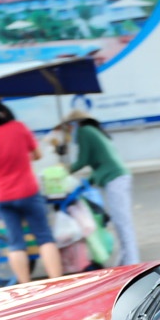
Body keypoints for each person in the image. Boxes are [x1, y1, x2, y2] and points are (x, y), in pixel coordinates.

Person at [0, 106, 63, 285]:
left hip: (3, 196)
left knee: (15, 243)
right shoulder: (19, 128)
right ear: (4, 114)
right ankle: (57, 283)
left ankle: (25, 287)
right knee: (44, 238)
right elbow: (37, 155)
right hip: (28, 191)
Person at [57, 109, 139, 264]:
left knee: (122, 223)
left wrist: (63, 171)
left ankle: (132, 261)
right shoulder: (93, 131)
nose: (69, 128)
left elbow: (83, 160)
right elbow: (98, 161)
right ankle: (125, 261)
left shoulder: (84, 131)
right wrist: (88, 181)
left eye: (70, 125)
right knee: (121, 222)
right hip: (117, 177)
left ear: (76, 123)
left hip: (115, 178)